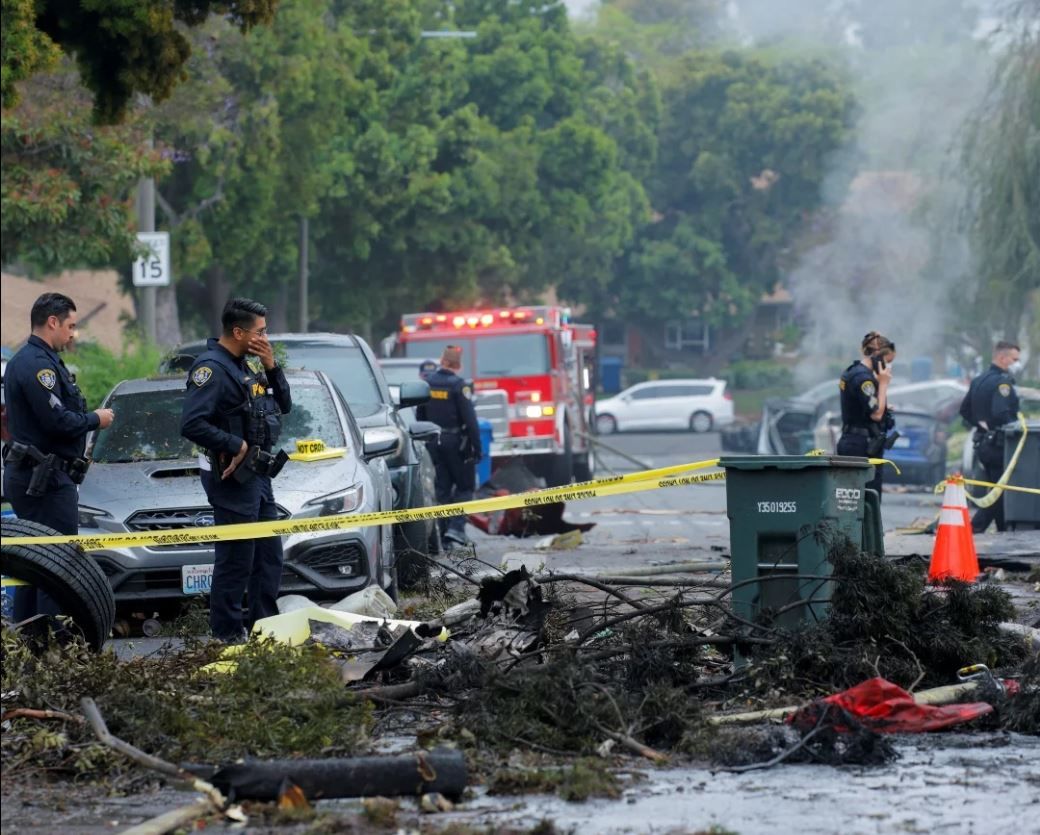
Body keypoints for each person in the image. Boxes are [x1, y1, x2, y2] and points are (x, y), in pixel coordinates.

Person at [180, 298, 292, 642]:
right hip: (230, 479)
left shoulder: (247, 365)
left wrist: (271, 366)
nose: (265, 337)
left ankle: (265, 629)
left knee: (268, 556)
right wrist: (236, 445)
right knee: (236, 559)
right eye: (260, 331)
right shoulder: (211, 369)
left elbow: (284, 405)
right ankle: (228, 633)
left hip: (259, 477)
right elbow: (192, 423)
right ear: (239, 331)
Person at [2, 293, 116, 619]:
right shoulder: (38, 366)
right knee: (57, 566)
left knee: (34, 565)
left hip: (42, 475)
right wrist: (97, 419)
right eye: (70, 325)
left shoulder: (40, 360)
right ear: (52, 322)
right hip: (45, 482)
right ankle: (51, 646)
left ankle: (29, 645)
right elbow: (58, 422)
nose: (72, 333)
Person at [417, 345, 481, 547]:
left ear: (442, 360)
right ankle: (456, 528)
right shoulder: (459, 386)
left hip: (433, 441)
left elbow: (420, 416)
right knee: (464, 486)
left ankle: (444, 535)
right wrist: (477, 448)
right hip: (456, 443)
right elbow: (470, 420)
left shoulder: (427, 384)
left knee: (442, 488)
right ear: (458, 365)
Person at [959, 340, 1022, 533]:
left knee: (997, 488)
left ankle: (1003, 531)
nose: (1017, 364)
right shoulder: (1002, 383)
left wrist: (981, 425)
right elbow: (1001, 414)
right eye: (1015, 359)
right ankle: (975, 528)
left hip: (983, 443)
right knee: (1000, 491)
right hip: (999, 445)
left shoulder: (979, 380)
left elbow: (964, 410)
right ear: (1002, 358)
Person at [837, 331, 897, 499]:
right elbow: (876, 414)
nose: (888, 368)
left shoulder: (857, 372)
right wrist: (884, 384)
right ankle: (863, 527)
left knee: (859, 498)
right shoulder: (864, 379)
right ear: (877, 357)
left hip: (858, 442)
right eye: (887, 362)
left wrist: (885, 405)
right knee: (865, 498)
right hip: (860, 446)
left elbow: (863, 405)